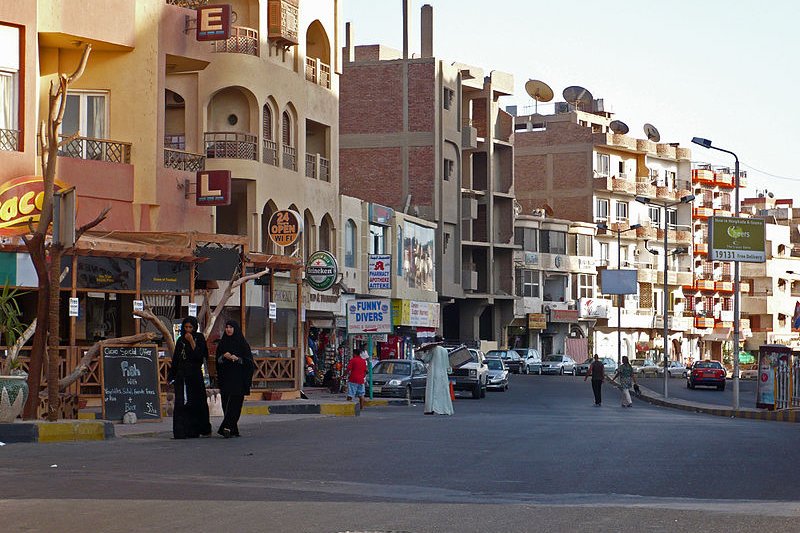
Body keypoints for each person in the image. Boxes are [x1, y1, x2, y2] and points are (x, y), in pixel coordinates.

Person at [170, 316, 212, 439]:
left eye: (190, 327)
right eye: (186, 327)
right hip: (182, 376)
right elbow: (176, 360)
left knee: (197, 402)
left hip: (195, 376)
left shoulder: (199, 338)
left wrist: (192, 341)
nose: (188, 330)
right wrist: (171, 376)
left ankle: (200, 429)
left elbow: (200, 356)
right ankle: (182, 431)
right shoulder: (180, 340)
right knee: (181, 403)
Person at [215, 320, 254, 438]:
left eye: (231, 327)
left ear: (235, 329)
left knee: (235, 404)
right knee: (226, 403)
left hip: (239, 379)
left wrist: (238, 359)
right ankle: (233, 428)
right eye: (227, 327)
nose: (228, 329)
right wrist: (223, 357)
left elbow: (249, 362)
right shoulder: (223, 344)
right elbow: (218, 360)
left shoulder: (242, 344)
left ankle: (226, 427)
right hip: (226, 378)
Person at [416, 336, 454, 415]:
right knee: (443, 391)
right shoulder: (445, 351)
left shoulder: (433, 349)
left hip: (433, 372)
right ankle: (444, 408)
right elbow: (448, 365)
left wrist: (424, 352)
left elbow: (426, 359)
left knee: (432, 391)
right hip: (443, 373)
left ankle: (431, 408)